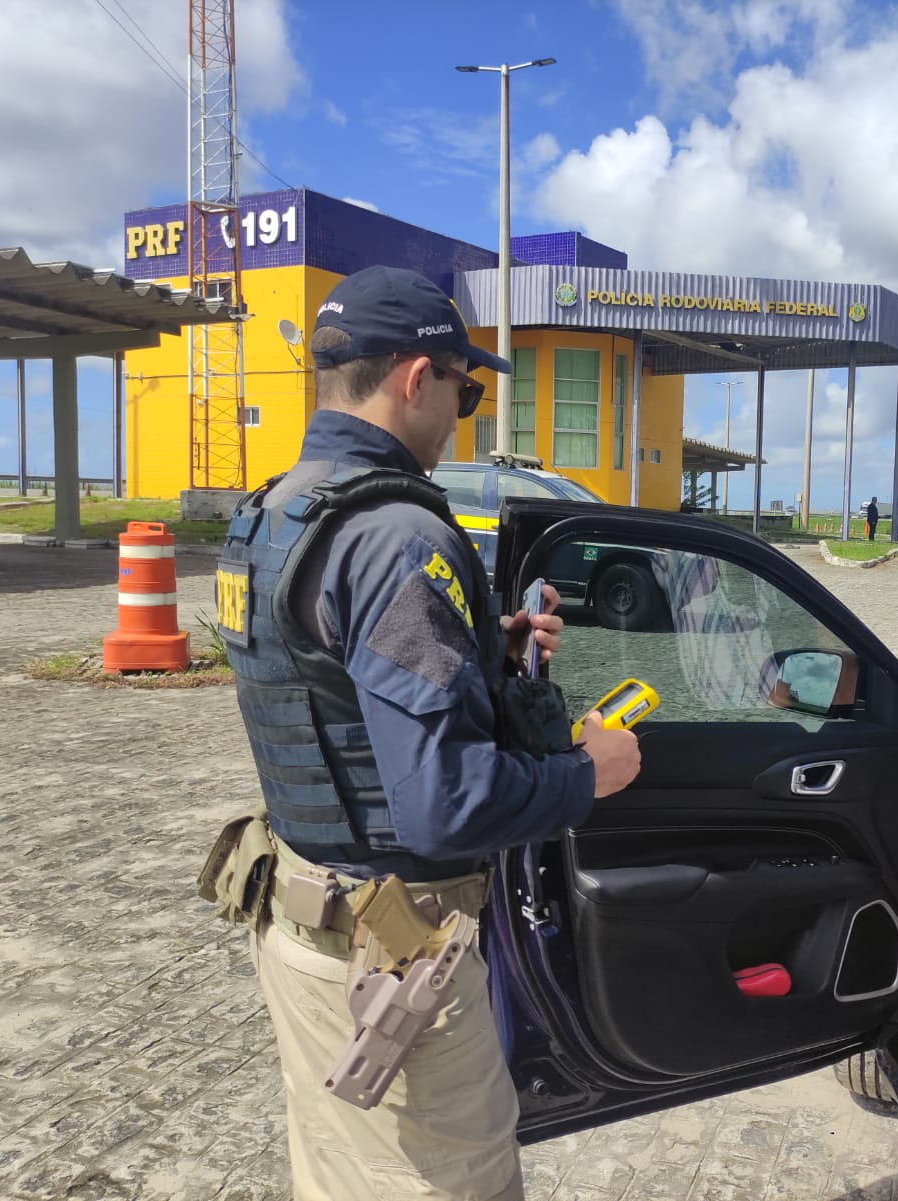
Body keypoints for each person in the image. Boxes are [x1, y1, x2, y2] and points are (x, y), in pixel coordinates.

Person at [203, 265, 641, 1201]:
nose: (464, 412)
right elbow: (445, 806)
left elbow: (333, 682)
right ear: (414, 377)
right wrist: (587, 774)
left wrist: (491, 651)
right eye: (464, 388)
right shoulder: (398, 536)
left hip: (305, 930)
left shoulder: (275, 512)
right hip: (395, 967)